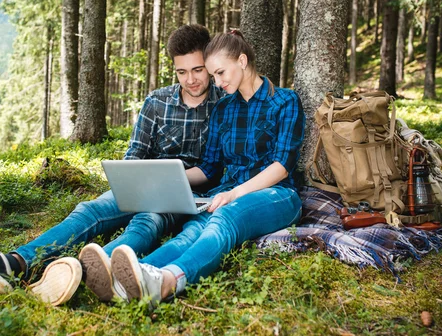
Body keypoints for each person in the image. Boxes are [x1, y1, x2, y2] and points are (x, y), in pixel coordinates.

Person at [0, 24, 224, 306]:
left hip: (191, 197)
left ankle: (72, 273)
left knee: (145, 222)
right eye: (182, 71)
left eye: (198, 70)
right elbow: (134, 154)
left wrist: (174, 183)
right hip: (146, 185)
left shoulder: (225, 105)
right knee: (90, 210)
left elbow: (219, 168)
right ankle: (13, 263)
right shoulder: (157, 101)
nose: (190, 80)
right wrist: (140, 178)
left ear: (209, 65)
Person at [107, 30, 306, 308]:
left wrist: (235, 194)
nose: (218, 82)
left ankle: (167, 281)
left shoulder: (285, 101)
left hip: (277, 194)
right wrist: (165, 180)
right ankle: (126, 277)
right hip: (225, 193)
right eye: (214, 76)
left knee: (225, 217)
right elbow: (210, 166)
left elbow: (282, 166)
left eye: (221, 73)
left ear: (243, 61)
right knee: (191, 231)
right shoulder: (223, 109)